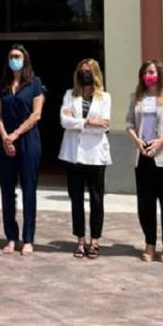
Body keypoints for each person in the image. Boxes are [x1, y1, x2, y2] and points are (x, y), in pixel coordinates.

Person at [125, 60, 163, 263]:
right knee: (145, 204)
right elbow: (129, 124)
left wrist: (160, 142)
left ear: (160, 73)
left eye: (151, 71)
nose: (148, 75)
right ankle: (149, 243)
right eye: (145, 72)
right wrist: (137, 141)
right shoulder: (137, 97)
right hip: (143, 156)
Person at [0, 44, 44, 256]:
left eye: (17, 56)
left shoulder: (35, 84)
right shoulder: (1, 85)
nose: (14, 59)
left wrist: (15, 134)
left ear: (25, 59)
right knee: (7, 191)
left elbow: (36, 114)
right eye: (11, 56)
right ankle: (11, 237)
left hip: (28, 141)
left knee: (28, 190)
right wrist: (5, 136)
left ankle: (29, 238)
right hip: (5, 143)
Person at [59, 58, 111, 260]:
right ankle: (80, 240)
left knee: (97, 199)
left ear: (95, 74)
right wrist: (89, 121)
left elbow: (105, 125)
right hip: (73, 155)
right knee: (76, 199)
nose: (85, 74)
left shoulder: (104, 97)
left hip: (96, 154)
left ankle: (95, 240)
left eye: (88, 71)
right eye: (82, 71)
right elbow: (64, 121)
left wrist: (78, 122)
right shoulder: (69, 95)